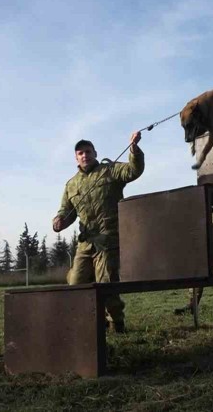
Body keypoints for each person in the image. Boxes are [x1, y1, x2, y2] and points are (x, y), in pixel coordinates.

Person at [52, 132, 145, 333]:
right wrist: (58, 222)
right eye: (80, 153)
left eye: (88, 151)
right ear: (76, 158)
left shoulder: (109, 171)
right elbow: (66, 212)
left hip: (108, 239)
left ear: (95, 153)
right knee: (76, 283)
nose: (84, 155)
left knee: (106, 284)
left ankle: (116, 324)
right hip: (86, 242)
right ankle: (94, 320)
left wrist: (134, 149)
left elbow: (133, 171)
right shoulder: (71, 185)